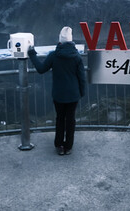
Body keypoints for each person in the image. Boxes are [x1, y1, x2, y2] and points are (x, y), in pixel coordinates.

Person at [29, 26, 87, 155]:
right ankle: (68, 146)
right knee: (70, 120)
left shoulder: (54, 56)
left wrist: (32, 54)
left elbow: (41, 69)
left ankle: (59, 145)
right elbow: (82, 78)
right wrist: (81, 93)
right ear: (71, 41)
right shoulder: (77, 57)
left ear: (60, 40)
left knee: (60, 118)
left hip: (59, 94)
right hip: (73, 94)